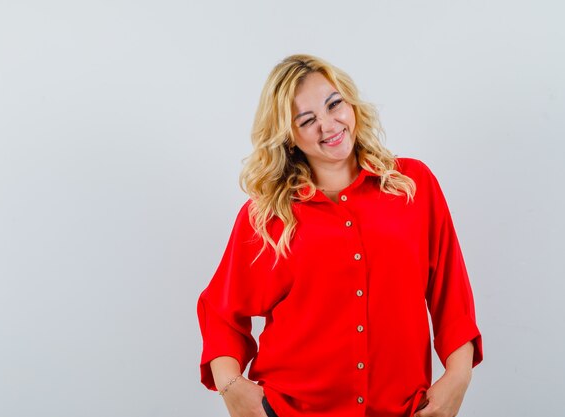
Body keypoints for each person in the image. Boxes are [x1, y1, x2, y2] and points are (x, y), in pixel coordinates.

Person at [197, 54, 483, 417]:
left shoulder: (412, 185)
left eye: (334, 105)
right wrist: (231, 388)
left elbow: (450, 292)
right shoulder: (268, 217)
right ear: (289, 136)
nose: (329, 125)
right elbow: (221, 311)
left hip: (402, 409)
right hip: (293, 409)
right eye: (307, 120)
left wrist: (458, 378)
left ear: (350, 103)